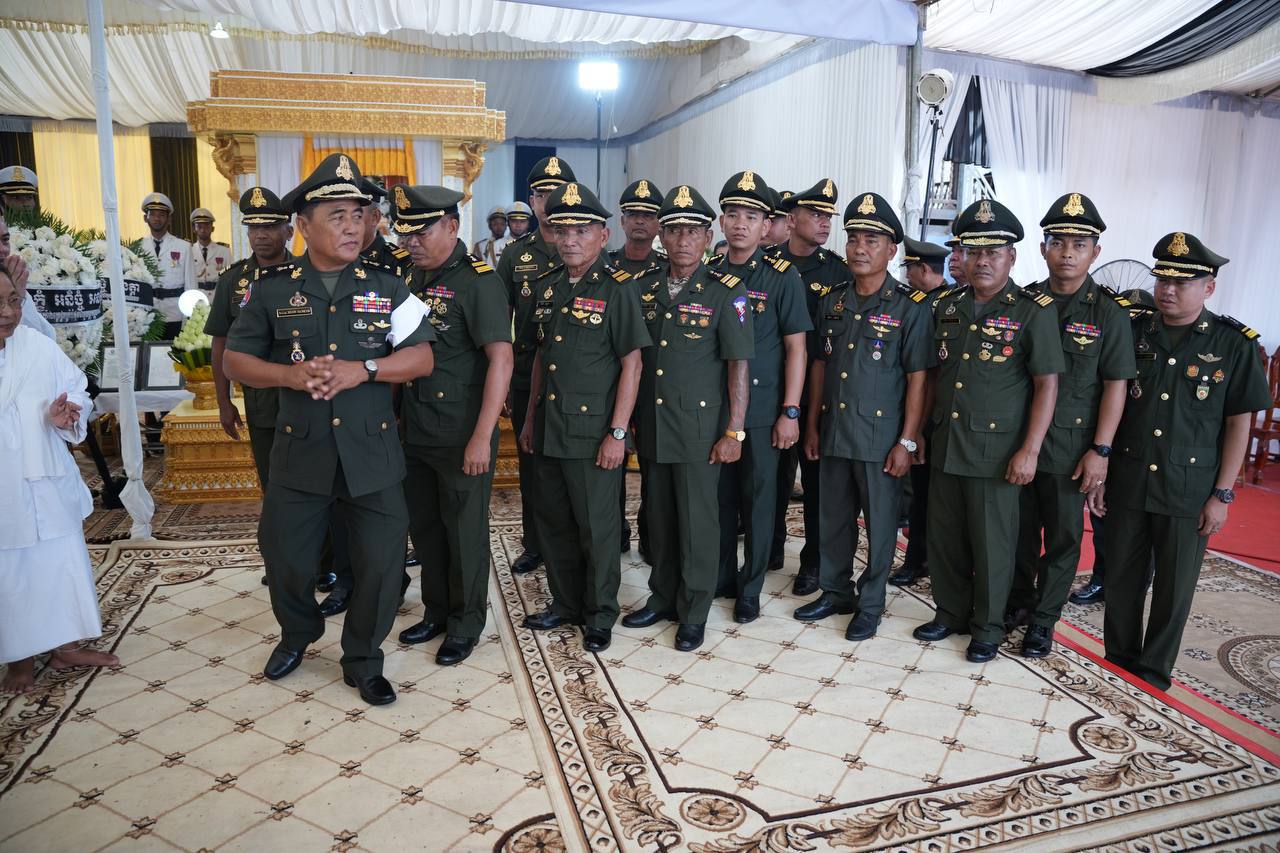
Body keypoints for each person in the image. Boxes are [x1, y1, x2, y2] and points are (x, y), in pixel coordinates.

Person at [224, 153, 436, 706]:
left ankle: (363, 657)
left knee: (382, 564)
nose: (352, 227)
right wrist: (288, 376)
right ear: (303, 225)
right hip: (301, 452)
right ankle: (298, 633)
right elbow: (235, 361)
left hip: (372, 452)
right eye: (337, 215)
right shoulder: (271, 290)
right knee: (286, 559)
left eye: (358, 215)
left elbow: (421, 359)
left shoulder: (388, 286)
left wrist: (365, 369)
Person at [1097, 232, 1270, 692]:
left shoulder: (1233, 343)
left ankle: (1153, 672)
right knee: (1122, 579)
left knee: (1174, 588)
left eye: (1182, 282)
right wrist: (1102, 470)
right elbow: (1111, 403)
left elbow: (1238, 424)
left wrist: (1223, 494)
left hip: (1189, 487)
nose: (1168, 290)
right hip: (1130, 477)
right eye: (1162, 280)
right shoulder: (1133, 330)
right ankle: (1119, 661)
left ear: (1208, 287)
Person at [912, 198, 1064, 663]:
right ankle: (950, 611)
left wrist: (1030, 451)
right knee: (945, 537)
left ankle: (989, 627)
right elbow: (934, 376)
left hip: (996, 452)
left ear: (1011, 257)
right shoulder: (948, 306)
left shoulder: (1032, 311)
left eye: (993, 253)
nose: (982, 261)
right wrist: (919, 433)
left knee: (992, 545)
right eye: (973, 251)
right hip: (947, 442)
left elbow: (1047, 385)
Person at [622, 184, 754, 652]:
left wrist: (734, 430)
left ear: (707, 236)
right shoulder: (644, 288)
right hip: (654, 425)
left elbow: (738, 367)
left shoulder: (726, 292)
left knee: (698, 524)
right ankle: (662, 597)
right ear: (662, 235)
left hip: (700, 431)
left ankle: (694, 611)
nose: (682, 240)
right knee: (658, 518)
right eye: (674, 230)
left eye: (692, 231)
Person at [518, 182, 649, 651]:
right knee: (554, 522)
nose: (570, 239)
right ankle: (565, 603)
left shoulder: (619, 288)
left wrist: (618, 432)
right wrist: (529, 420)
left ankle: (599, 613)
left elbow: (632, 364)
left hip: (593, 433)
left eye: (581, 231)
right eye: (562, 230)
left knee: (597, 528)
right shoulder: (548, 286)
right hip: (550, 427)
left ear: (603, 235)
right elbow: (540, 357)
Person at [1006, 194, 1136, 658]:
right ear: (1043, 248)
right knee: (1017, 532)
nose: (1067, 253)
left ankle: (1044, 620)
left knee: (1062, 540)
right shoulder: (1023, 302)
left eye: (1079, 245)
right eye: (1058, 242)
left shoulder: (1109, 313)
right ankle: (1017, 603)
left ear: (1095, 252)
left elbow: (1116, 386)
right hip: (1017, 441)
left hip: (1070, 449)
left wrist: (1101, 450)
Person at [800, 193, 932, 639]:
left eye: (871, 241)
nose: (859, 248)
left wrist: (908, 440)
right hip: (835, 430)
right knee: (833, 519)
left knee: (879, 524)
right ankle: (835, 591)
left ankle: (870, 603)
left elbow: (918, 379)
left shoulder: (910, 307)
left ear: (891, 250)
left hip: (881, 438)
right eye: (854, 238)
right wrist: (812, 425)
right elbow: (820, 366)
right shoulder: (833, 301)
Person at [391, 184, 513, 666]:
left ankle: (465, 623)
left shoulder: (479, 281)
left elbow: (501, 360)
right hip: (415, 426)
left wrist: (482, 436)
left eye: (421, 233)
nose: (411, 242)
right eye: (405, 234)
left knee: (464, 532)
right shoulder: (408, 276)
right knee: (426, 528)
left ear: (452, 227)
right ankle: (437, 611)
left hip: (462, 430)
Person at [1, 268, 119, 694]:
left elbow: (77, 390)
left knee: (59, 559)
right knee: (11, 568)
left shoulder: (37, 345)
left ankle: (65, 646)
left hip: (45, 474)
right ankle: (19, 656)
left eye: (13, 301)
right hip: (5, 484)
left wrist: (67, 414)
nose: (8, 312)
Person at [709, 171, 809, 623]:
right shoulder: (709, 274)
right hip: (716, 408)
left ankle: (750, 587)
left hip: (765, 410)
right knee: (720, 499)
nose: (740, 224)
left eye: (751, 216)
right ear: (721, 222)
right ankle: (722, 575)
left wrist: (791, 410)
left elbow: (796, 348)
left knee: (760, 500)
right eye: (732, 214)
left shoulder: (782, 278)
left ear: (767, 226)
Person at [205, 187, 294, 584]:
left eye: (269, 227)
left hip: (306, 398)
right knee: (273, 485)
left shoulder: (307, 273)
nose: (260, 235)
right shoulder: (233, 281)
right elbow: (220, 344)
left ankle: (322, 563)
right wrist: (224, 402)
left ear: (288, 230)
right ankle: (280, 563)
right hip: (261, 403)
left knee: (316, 484)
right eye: (254, 227)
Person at [498, 156, 576, 577]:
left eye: (556, 192)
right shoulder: (515, 255)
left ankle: (572, 542)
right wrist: (506, 381)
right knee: (530, 466)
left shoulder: (583, 247)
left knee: (571, 468)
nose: (548, 201)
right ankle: (534, 544)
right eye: (542, 194)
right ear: (531, 200)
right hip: (528, 374)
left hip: (576, 381)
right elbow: (501, 321)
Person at [769, 179, 847, 595]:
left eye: (828, 217)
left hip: (818, 394)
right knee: (769, 480)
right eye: (815, 215)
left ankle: (813, 562)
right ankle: (770, 548)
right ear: (792, 218)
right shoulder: (767, 263)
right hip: (770, 389)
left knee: (816, 483)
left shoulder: (838, 271)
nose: (824, 223)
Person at [1071, 287, 1161, 606]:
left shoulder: (1156, 350)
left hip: (1144, 448)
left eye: (1139, 320)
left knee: (1143, 527)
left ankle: (1134, 585)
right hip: (1108, 442)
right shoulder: (1109, 344)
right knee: (1102, 515)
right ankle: (1101, 579)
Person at [610, 178, 668, 559]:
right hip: (609, 384)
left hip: (652, 387)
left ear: (659, 223)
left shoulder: (667, 270)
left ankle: (650, 537)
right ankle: (615, 532)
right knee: (608, 467)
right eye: (633, 214)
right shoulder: (606, 266)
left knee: (653, 470)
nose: (641, 221)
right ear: (622, 221)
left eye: (648, 215)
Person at [889, 236, 951, 587]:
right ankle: (920, 558)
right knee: (918, 494)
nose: (907, 276)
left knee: (925, 497)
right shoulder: (928, 301)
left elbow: (929, 371)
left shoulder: (939, 305)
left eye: (910, 269)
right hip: (918, 410)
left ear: (923, 269)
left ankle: (919, 560)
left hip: (930, 414)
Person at [137, 192, 196, 338]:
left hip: (175, 314)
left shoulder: (184, 247)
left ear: (169, 219)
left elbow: (191, 285)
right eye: (152, 214)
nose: (157, 218)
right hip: (146, 315)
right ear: (145, 218)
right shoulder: (137, 247)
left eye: (162, 215)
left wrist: (190, 317)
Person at [0, 214, 55, 340]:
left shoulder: (12, 281)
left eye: (5, 240)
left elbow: (46, 338)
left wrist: (16, 296)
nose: (2, 249)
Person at [190, 208, 232, 294]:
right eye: (199, 226)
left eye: (206, 226)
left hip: (217, 295)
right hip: (196, 296)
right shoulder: (189, 251)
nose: (203, 230)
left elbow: (230, 277)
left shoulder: (224, 251)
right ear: (194, 229)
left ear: (212, 228)